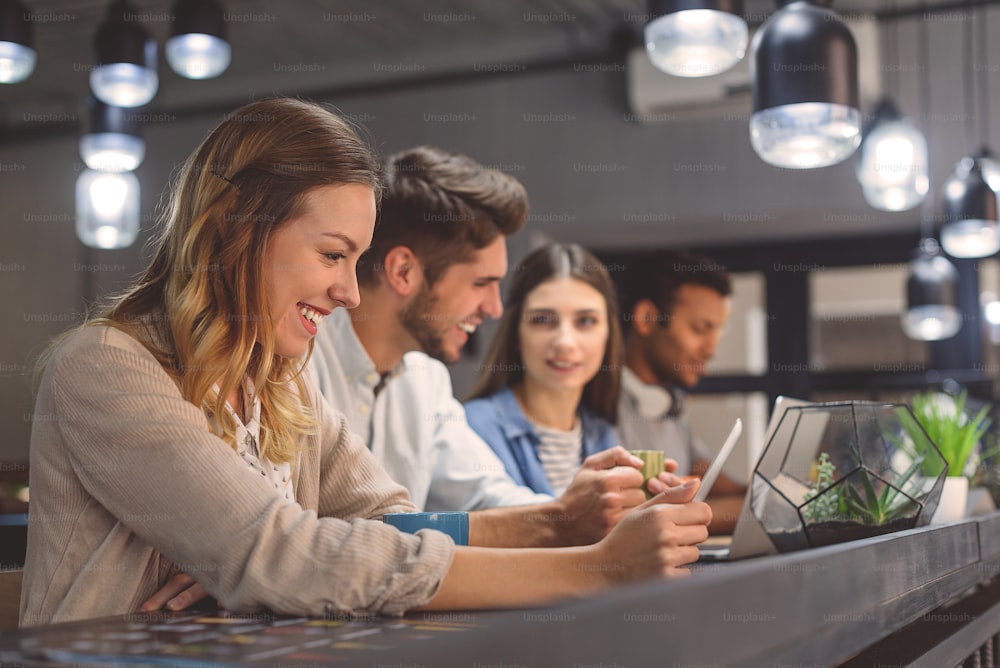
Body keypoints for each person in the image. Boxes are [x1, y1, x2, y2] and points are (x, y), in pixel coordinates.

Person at [21, 98, 711, 627]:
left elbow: (387, 525)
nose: (350, 291)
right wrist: (595, 570)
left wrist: (561, 526)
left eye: (356, 260)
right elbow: (283, 556)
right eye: (332, 255)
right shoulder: (105, 367)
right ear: (234, 226)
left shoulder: (280, 380)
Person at [309, 146, 685, 548]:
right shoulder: (298, 367)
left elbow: (486, 496)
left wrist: (599, 511)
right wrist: (563, 519)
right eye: (481, 283)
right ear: (403, 272)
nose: (494, 308)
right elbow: (314, 544)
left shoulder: (426, 381)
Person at [464, 243, 624, 496]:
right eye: (542, 320)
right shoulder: (471, 427)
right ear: (516, 333)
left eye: (585, 321)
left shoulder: (603, 433)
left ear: (609, 333)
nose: (565, 342)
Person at [618, 249, 744, 532]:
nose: (711, 350)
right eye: (700, 329)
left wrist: (784, 492)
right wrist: (757, 508)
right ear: (647, 318)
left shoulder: (669, 408)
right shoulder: (598, 407)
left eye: (717, 334)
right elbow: (639, 520)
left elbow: (717, 484)